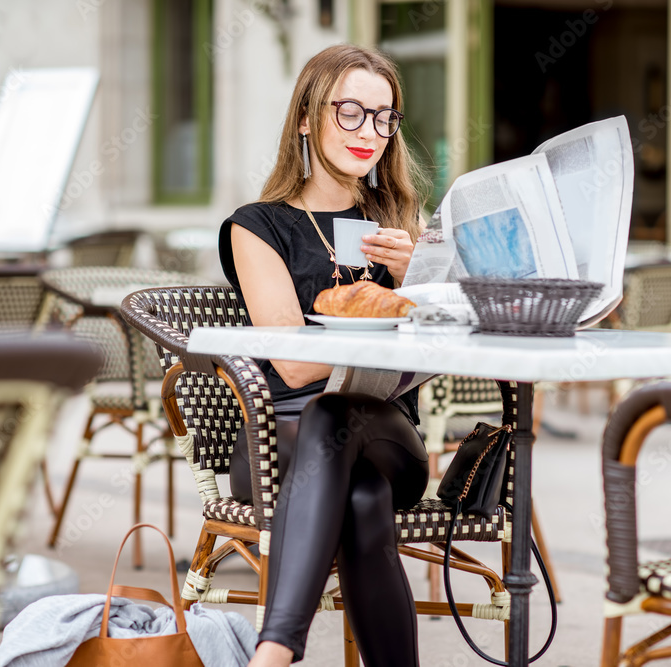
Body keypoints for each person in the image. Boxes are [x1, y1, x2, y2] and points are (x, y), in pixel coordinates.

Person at [218, 44, 430, 667]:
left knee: (338, 419)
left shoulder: (403, 226)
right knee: (356, 486)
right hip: (274, 445)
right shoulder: (258, 226)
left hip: (389, 437)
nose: (371, 132)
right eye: (351, 112)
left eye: (384, 117)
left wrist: (422, 278)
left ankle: (274, 652)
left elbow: (465, 330)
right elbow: (291, 366)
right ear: (307, 118)